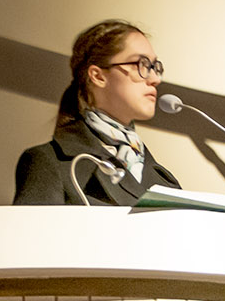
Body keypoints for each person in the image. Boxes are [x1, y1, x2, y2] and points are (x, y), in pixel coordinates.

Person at [13, 19, 180, 205]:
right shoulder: (51, 162)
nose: (155, 79)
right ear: (98, 76)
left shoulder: (165, 181)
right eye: (142, 64)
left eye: (155, 67)